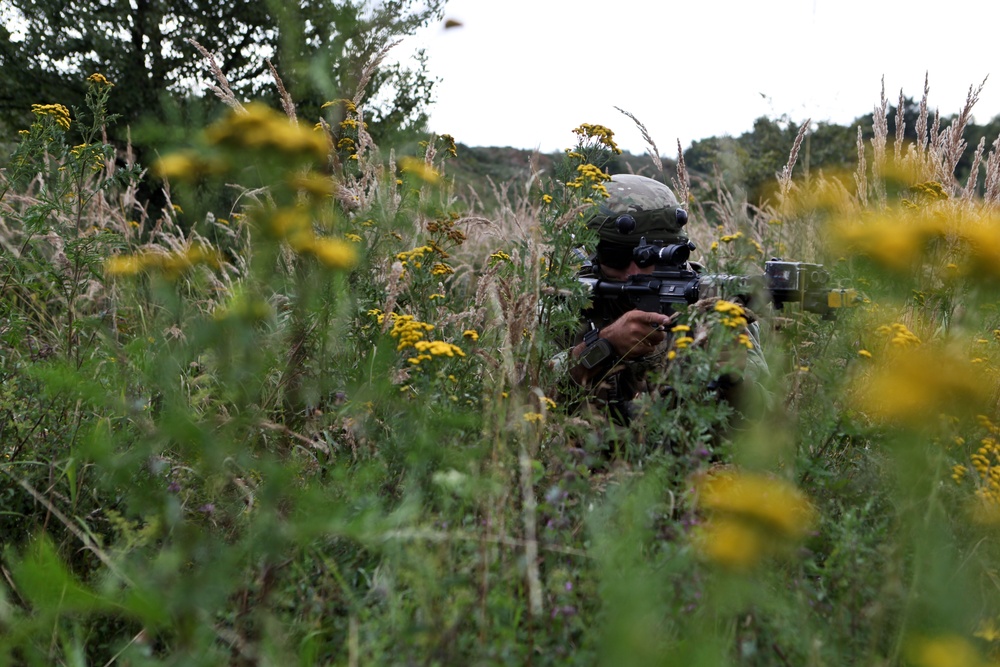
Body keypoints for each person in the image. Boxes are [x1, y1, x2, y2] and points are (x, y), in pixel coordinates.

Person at [557, 173, 768, 427]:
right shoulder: (567, 304)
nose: (635, 271)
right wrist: (604, 345)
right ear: (594, 253)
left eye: (653, 256)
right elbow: (525, 398)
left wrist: (733, 380)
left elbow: (771, 421)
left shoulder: (715, 304)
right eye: (617, 256)